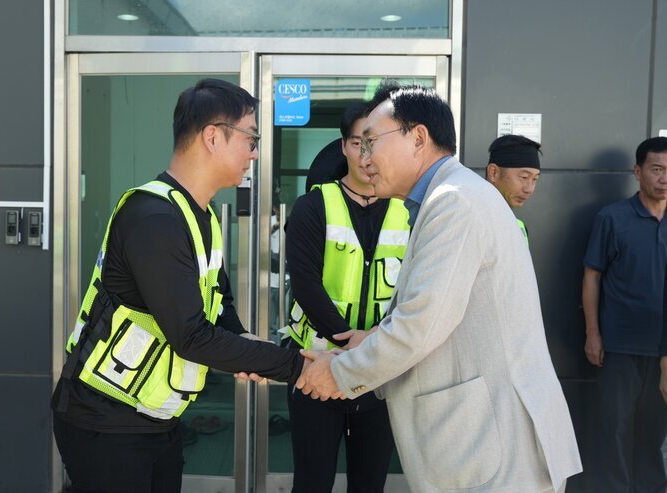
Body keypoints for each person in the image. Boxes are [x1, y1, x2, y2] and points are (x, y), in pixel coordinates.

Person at [296, 82, 582, 493]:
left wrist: (339, 374)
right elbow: (439, 314)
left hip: (493, 449)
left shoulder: (455, 202)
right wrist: (369, 340)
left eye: (373, 142)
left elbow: (420, 325)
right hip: (485, 445)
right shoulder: (449, 197)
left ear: (418, 138)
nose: (364, 157)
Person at [51, 79, 305, 493]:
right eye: (251, 138)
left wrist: (244, 341)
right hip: (105, 421)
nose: (255, 153)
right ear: (212, 137)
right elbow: (191, 335)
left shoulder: (200, 216)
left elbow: (218, 303)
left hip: (156, 417)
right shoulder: (154, 218)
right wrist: (295, 367)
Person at [285, 102, 408, 492]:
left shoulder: (408, 211)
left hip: (379, 373)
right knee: (312, 481)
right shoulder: (313, 206)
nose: (367, 156)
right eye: (358, 143)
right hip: (316, 369)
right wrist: (351, 346)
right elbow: (305, 285)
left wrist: (369, 352)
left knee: (370, 482)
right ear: (343, 147)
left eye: (375, 143)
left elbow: (415, 292)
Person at [582, 136, 667, 493]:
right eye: (657, 169)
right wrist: (593, 333)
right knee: (614, 431)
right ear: (637, 171)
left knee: (654, 433)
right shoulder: (612, 218)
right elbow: (592, 276)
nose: (664, 178)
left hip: (663, 352)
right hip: (619, 346)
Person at [485, 134, 541, 244]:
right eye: (524, 177)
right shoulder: (470, 221)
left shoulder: (519, 227)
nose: (529, 189)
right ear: (493, 172)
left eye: (535, 179)